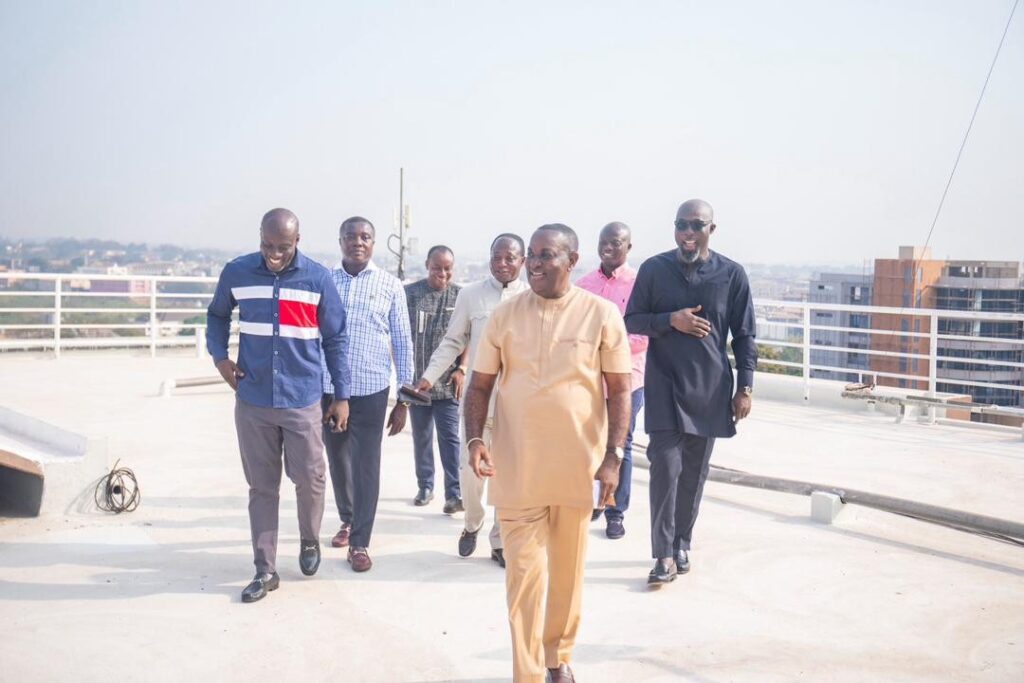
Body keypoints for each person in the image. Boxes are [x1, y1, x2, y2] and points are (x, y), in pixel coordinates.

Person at [465, 224, 632, 683]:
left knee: (566, 574)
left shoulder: (600, 315)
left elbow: (620, 390)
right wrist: (475, 439)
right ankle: (529, 673)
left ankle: (558, 656)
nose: (534, 264)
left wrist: (613, 457)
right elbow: (479, 384)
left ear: (572, 260)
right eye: (531, 256)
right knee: (523, 579)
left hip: (576, 467)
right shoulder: (506, 314)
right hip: (516, 466)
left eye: (546, 255)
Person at [206, 208, 350, 603]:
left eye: (282, 248)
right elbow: (217, 315)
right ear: (259, 238)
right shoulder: (237, 273)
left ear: (297, 242)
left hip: (302, 399)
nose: (273, 254)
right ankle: (265, 569)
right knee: (262, 488)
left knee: (311, 479)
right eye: (267, 246)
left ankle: (309, 539)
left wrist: (341, 395)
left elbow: (336, 339)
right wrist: (220, 358)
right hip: (253, 399)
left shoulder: (317, 279)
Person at [624, 199, 757, 585]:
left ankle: (682, 540)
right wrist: (672, 321)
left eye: (696, 225)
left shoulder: (731, 274)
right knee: (665, 469)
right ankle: (663, 554)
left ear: (710, 230)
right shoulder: (654, 269)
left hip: (711, 387)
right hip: (663, 384)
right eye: (681, 224)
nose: (687, 232)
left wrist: (745, 387)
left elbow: (745, 335)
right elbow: (633, 319)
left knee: (694, 473)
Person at [415, 233, 528, 567]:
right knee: (470, 471)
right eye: (497, 256)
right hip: (479, 400)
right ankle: (472, 523)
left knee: (508, 475)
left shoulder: (532, 297)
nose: (503, 263)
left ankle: (499, 539)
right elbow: (453, 341)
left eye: (511, 257)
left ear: (523, 261)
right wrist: (428, 377)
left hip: (518, 403)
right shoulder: (471, 295)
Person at [320, 216, 414, 573]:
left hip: (372, 390)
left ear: (374, 243)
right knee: (337, 460)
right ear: (340, 240)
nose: (357, 242)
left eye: (365, 237)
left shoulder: (390, 285)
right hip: (329, 389)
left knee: (366, 465)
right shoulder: (325, 281)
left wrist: (404, 400)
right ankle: (347, 519)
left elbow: (403, 342)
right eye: (350, 236)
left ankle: (360, 542)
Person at [574, 221, 648, 540]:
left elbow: (644, 334)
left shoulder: (641, 284)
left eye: (615, 242)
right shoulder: (584, 284)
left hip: (629, 378)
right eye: (604, 241)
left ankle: (616, 512)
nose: (608, 247)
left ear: (628, 247)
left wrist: (607, 348)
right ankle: (595, 500)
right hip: (591, 377)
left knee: (621, 443)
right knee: (590, 440)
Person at [404, 245, 463, 513]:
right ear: (427, 265)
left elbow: (469, 337)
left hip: (449, 384)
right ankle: (425, 486)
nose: (442, 273)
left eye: (447, 268)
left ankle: (454, 493)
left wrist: (462, 368)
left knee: (450, 439)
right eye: (437, 267)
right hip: (418, 383)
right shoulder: (411, 294)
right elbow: (400, 336)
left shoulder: (461, 296)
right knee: (422, 437)